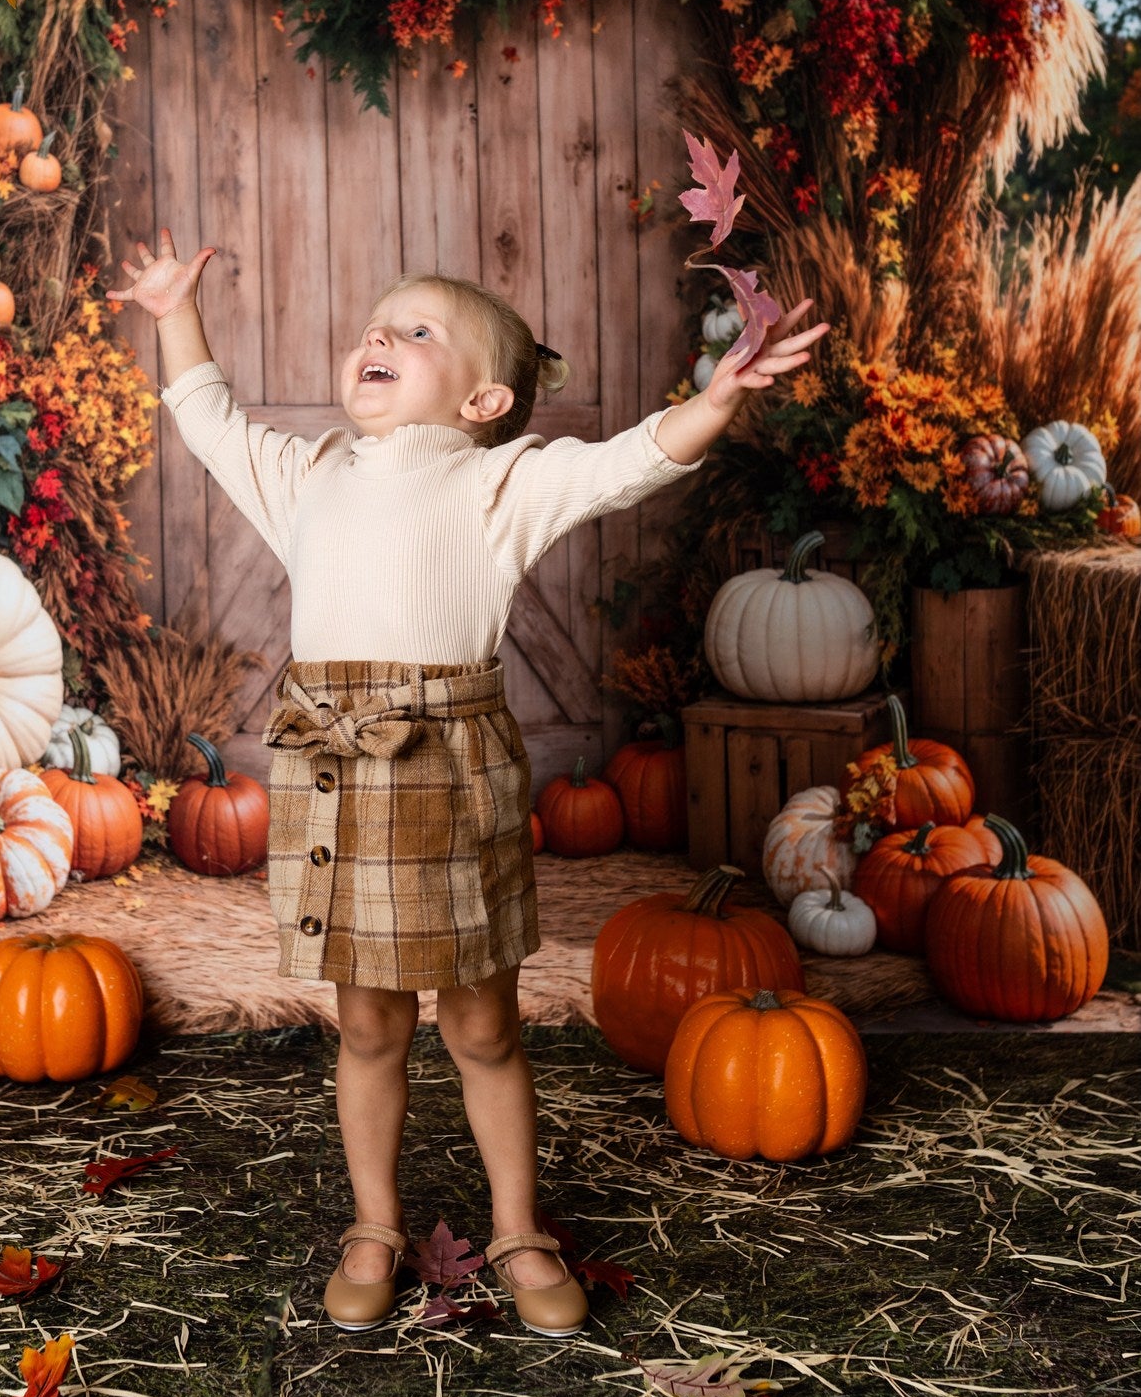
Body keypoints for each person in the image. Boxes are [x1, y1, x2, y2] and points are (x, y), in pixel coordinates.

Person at [110, 230, 827, 1339]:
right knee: (366, 1025)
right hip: (339, 772)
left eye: (416, 329)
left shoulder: (500, 481)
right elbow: (206, 417)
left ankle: (515, 1225)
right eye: (375, 325)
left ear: (486, 396)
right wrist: (171, 311)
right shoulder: (304, 475)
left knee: (484, 1025)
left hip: (448, 769)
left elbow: (627, 458)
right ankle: (373, 1223)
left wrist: (716, 396)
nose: (378, 337)